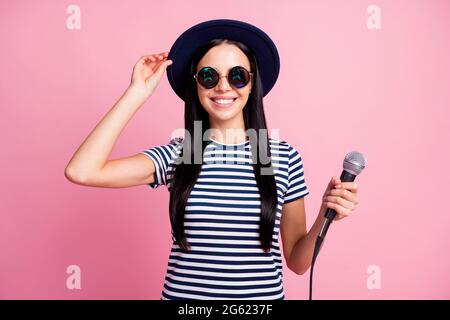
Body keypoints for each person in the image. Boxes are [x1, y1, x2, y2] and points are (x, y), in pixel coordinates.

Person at [65, 19, 359, 300]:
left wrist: (326, 212)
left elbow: (296, 261)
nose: (223, 87)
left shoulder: (281, 158)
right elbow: (82, 171)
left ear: (252, 83)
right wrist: (136, 93)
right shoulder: (182, 153)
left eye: (237, 76)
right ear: (196, 85)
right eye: (209, 76)